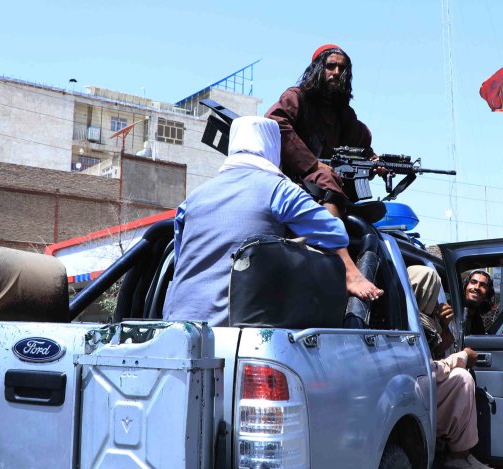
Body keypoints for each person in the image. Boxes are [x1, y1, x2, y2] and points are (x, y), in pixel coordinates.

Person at [163, 116, 381, 327]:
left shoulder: (192, 199)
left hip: (175, 326)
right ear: (272, 145)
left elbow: (181, 257)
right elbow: (334, 232)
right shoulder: (279, 190)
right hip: (235, 328)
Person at [408, 265, 498, 469]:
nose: (476, 288)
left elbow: (440, 348)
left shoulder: (431, 319)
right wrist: (463, 358)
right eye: (473, 282)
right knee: (462, 377)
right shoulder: (411, 320)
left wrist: (443, 327)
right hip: (416, 392)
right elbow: (426, 367)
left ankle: (462, 454)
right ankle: (459, 454)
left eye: (483, 285)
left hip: (421, 390)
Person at [265, 45, 375, 217]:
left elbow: (360, 148)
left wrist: (375, 163)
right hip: (296, 178)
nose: (337, 72)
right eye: (330, 66)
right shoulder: (297, 97)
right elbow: (275, 122)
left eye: (342, 68)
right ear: (318, 68)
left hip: (336, 182)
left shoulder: (345, 114)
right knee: (325, 176)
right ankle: (335, 240)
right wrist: (312, 164)